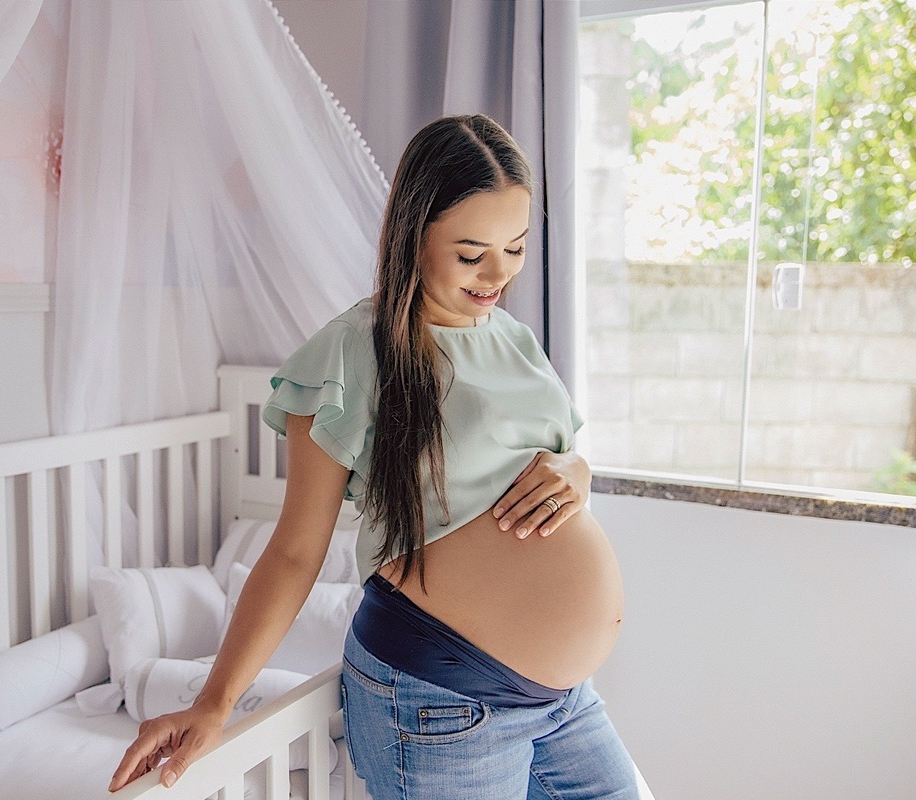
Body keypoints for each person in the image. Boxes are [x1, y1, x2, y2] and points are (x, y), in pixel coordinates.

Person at [108, 114, 638, 799]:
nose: (497, 274)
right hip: (443, 701)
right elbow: (296, 551)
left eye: (516, 247)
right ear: (413, 239)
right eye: (471, 252)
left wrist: (578, 471)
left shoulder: (510, 338)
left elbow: (557, 464)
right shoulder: (351, 353)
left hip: (561, 701)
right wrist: (214, 702)